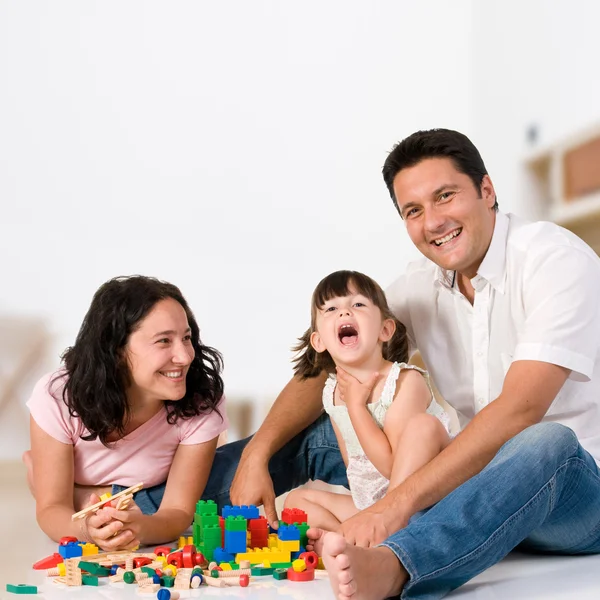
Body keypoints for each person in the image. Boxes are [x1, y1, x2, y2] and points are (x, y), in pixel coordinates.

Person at [210, 128, 600, 600]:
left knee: (543, 442)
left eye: (445, 196)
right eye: (413, 211)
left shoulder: (553, 260)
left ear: (487, 191)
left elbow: (520, 408)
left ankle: (398, 563)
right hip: (466, 479)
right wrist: (256, 454)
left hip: (571, 491)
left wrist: (391, 509)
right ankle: (148, 509)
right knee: (316, 429)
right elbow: (332, 362)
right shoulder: (421, 284)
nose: (433, 222)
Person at [24, 275, 228, 551]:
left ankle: (85, 493)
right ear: (117, 350)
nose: (184, 356)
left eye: (187, 338)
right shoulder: (58, 395)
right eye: (164, 341)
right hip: (136, 500)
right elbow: (51, 510)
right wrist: (87, 529)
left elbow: (178, 512)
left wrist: (139, 527)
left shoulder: (202, 399)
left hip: (157, 498)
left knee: (243, 458)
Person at [284, 270, 450, 530]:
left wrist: (356, 407)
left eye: (358, 304)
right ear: (318, 341)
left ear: (385, 329)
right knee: (296, 502)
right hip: (371, 506)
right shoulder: (332, 393)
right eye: (330, 309)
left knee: (423, 426)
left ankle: (373, 532)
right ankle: (350, 537)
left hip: (420, 502)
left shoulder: (404, 383)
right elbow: (354, 466)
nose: (344, 313)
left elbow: (392, 469)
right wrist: (364, 510)